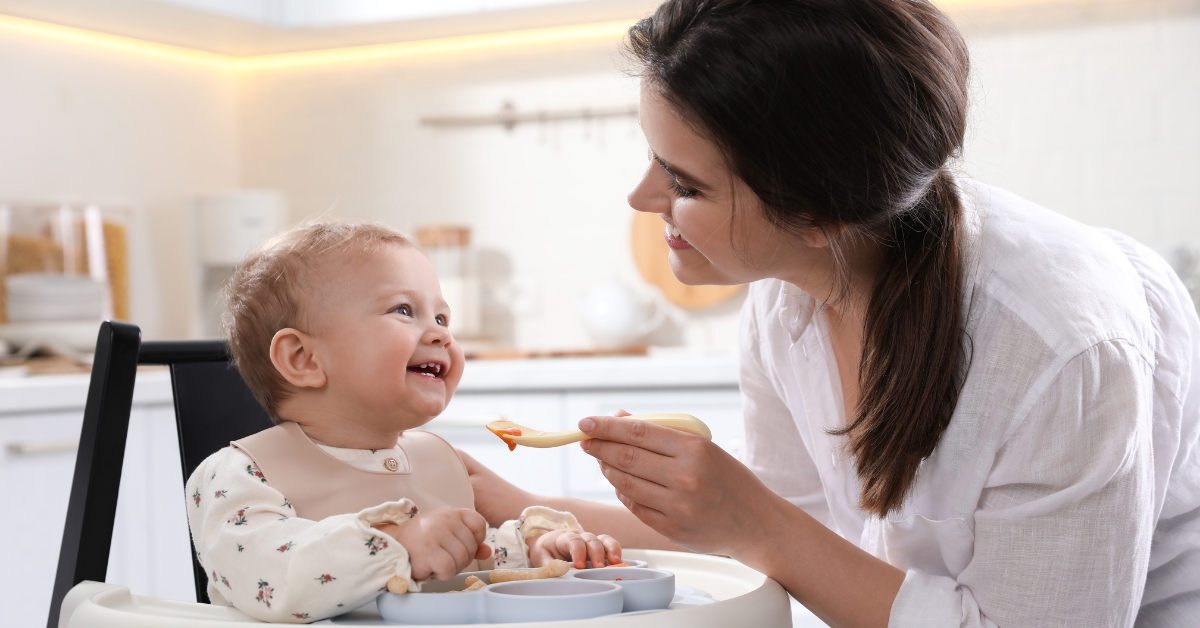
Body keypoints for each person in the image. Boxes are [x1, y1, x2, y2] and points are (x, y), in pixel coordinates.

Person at [460, 1, 1200, 626]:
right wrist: (520, 505)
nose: (642, 199)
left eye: (684, 182)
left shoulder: (1060, 348)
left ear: (819, 213)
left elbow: (785, 538)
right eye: (656, 159)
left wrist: (753, 517)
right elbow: (803, 548)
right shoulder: (787, 293)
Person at [185, 222, 621, 623]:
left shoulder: (436, 459)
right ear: (304, 359)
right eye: (403, 310)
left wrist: (534, 552)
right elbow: (273, 574)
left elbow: (470, 564)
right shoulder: (241, 474)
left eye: (442, 317)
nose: (440, 334)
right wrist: (397, 544)